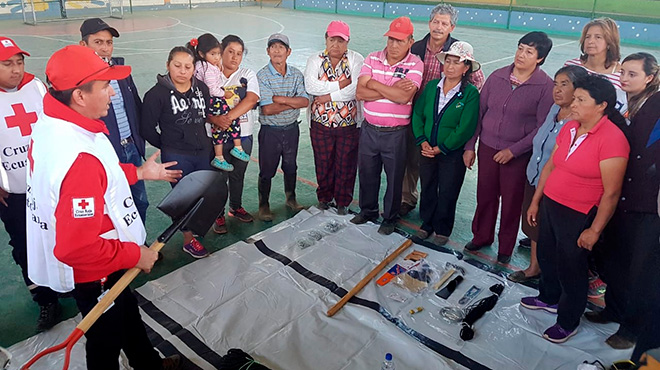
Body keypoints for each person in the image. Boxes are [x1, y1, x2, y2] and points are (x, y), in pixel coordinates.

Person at [27, 45, 183, 370]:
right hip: (96, 268)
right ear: (80, 96)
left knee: (127, 312)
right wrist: (135, 255)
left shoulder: (55, 123)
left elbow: (100, 175)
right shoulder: (78, 158)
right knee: (105, 341)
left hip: (107, 260)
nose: (113, 92)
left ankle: (147, 364)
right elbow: (78, 247)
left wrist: (138, 172)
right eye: (105, 86)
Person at [521, 75, 629, 344]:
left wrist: (594, 229)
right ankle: (548, 297)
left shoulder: (613, 140)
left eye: (581, 100)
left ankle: (568, 320)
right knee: (547, 254)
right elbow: (550, 166)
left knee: (571, 266)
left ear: (602, 105)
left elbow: (612, 192)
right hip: (551, 204)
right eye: (575, 98)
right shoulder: (570, 127)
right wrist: (536, 201)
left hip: (579, 213)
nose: (574, 103)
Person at [584, 53, 660, 350]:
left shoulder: (654, 105)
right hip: (623, 199)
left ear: (650, 78)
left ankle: (632, 328)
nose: (625, 79)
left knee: (643, 270)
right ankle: (613, 310)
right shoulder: (632, 105)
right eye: (623, 73)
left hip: (648, 205)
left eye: (632, 74)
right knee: (616, 260)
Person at [463, 31, 554, 264]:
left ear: (540, 58)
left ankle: (505, 247)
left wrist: (514, 151)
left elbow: (541, 127)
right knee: (485, 195)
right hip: (487, 148)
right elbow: (479, 113)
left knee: (512, 202)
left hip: (518, 156)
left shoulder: (545, 87)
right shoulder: (497, 77)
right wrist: (470, 146)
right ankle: (481, 236)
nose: (521, 55)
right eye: (520, 48)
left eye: (529, 52)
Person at [0, 36, 61, 331]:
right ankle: (45, 300)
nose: (16, 69)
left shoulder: (36, 87)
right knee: (24, 247)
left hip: (46, 185)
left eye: (19, 62)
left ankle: (65, 283)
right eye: (7, 63)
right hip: (11, 193)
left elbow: (55, 125)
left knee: (58, 236)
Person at [402, 3, 486, 217]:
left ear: (452, 27)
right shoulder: (416, 49)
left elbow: (477, 88)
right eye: (436, 21)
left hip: (449, 125)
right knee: (412, 160)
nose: (439, 27)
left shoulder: (459, 52)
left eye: (444, 23)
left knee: (443, 174)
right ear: (429, 23)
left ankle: (438, 216)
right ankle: (407, 198)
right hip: (419, 118)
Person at [508, 65, 588, 283]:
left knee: (550, 230)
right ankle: (536, 266)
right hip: (535, 175)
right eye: (556, 84)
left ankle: (547, 272)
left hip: (555, 186)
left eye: (565, 85)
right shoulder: (554, 109)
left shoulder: (579, 120)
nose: (558, 90)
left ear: (578, 89)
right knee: (534, 225)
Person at [141, 46, 223, 258]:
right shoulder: (155, 95)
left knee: (202, 193)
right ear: (168, 65)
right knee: (183, 197)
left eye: (188, 66)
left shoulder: (202, 89)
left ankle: (196, 229)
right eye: (177, 65)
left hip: (202, 152)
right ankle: (188, 239)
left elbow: (203, 118)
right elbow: (147, 128)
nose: (182, 71)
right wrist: (169, 145)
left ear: (194, 68)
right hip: (177, 155)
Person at [352, 16, 423, 235]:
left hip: (396, 134)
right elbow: (360, 92)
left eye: (399, 41)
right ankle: (368, 211)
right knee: (367, 174)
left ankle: (390, 218)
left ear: (410, 41)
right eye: (391, 39)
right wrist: (388, 87)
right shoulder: (372, 58)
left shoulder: (415, 63)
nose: (393, 45)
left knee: (395, 178)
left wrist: (374, 83)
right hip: (370, 129)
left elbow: (404, 97)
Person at [79, 18, 149, 223]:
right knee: (113, 205)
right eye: (98, 42)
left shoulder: (121, 72)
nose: (105, 48)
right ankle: (123, 251)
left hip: (131, 148)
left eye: (109, 43)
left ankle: (140, 245)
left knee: (139, 201)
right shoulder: (81, 79)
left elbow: (135, 105)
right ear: (83, 45)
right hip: (107, 152)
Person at [411, 41, 480, 245]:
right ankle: (427, 224)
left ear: (466, 67)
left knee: (448, 190)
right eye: (447, 61)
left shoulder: (470, 94)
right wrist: (422, 141)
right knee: (428, 186)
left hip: (451, 154)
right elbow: (418, 114)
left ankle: (442, 228)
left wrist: (442, 147)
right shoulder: (432, 87)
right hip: (427, 150)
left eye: (456, 63)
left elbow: (465, 126)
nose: (450, 67)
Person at [304, 20, 364, 215]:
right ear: (326, 39)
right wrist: (340, 84)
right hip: (320, 125)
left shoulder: (356, 59)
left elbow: (355, 89)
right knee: (323, 162)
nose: (335, 45)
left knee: (346, 164)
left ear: (347, 42)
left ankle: (342, 202)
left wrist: (328, 96)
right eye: (332, 39)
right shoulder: (315, 60)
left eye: (340, 41)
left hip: (348, 126)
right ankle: (324, 198)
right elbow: (311, 87)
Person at [256, 33, 310, 221]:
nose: (277, 51)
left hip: (291, 129)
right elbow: (268, 109)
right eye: (273, 47)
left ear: (289, 52)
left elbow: (304, 101)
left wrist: (282, 99)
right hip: (270, 131)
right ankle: (264, 206)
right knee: (267, 170)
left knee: (290, 166)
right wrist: (292, 102)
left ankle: (291, 199)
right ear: (268, 51)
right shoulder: (262, 76)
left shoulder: (296, 74)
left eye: (281, 47)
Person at [212, 35, 260, 232]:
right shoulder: (211, 75)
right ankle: (218, 215)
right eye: (230, 52)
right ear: (221, 51)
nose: (234, 57)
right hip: (219, 137)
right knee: (219, 177)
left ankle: (236, 207)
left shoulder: (247, 74)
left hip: (243, 135)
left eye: (239, 54)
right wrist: (215, 120)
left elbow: (251, 99)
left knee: (238, 174)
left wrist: (226, 118)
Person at [188, 33, 249, 172]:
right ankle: (235, 148)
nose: (216, 58)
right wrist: (224, 93)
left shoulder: (199, 65)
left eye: (218, 54)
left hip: (204, 101)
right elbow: (212, 88)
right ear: (202, 54)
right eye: (213, 54)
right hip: (214, 99)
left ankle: (220, 156)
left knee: (219, 125)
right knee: (230, 119)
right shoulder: (208, 68)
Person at [564, 17, 627, 114]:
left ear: (609, 43)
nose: (590, 41)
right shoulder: (570, 66)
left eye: (598, 37)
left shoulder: (621, 74)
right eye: (587, 37)